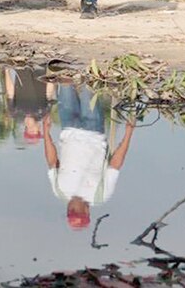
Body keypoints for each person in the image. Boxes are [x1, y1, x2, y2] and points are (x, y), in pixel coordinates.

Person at [42, 83, 135, 230]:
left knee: (65, 83)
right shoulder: (100, 196)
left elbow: (52, 162)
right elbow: (115, 165)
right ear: (87, 211)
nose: (71, 209)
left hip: (68, 127)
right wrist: (128, 134)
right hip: (93, 130)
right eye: (75, 212)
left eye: (70, 212)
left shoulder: (59, 191)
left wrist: (46, 133)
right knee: (88, 87)